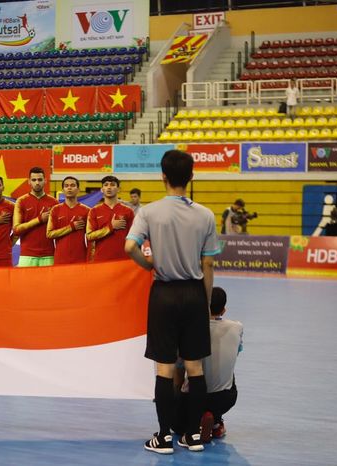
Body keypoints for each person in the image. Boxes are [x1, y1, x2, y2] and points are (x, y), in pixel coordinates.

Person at [124, 149, 221, 454]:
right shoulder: (205, 214)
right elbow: (208, 265)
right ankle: (193, 436)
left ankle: (164, 436)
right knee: (195, 367)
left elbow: (129, 247)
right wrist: (204, 302)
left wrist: (150, 265)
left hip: (163, 292)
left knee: (164, 368)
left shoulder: (149, 212)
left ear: (162, 177)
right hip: (193, 293)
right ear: (191, 177)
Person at [174, 287, 243, 442]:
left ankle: (195, 422)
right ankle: (216, 421)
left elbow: (179, 368)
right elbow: (235, 353)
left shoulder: (189, 329)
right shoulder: (237, 327)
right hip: (225, 398)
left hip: (193, 397)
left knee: (177, 426)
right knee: (227, 370)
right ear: (224, 310)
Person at [13, 167, 57, 267]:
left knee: (48, 283)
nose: (37, 183)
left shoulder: (54, 202)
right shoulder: (21, 201)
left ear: (45, 181)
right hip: (27, 255)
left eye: (40, 179)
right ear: (29, 181)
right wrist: (39, 219)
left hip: (49, 255)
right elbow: (16, 230)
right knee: (27, 283)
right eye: (34, 180)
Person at [86, 175, 135, 263]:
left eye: (112, 185)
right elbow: (89, 236)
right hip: (101, 259)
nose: (109, 187)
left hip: (123, 259)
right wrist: (110, 227)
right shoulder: (94, 211)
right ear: (102, 189)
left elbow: (133, 237)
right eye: (106, 185)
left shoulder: (128, 211)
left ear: (118, 189)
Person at [46, 176, 89, 265]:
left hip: (80, 259)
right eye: (66, 186)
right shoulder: (55, 209)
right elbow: (49, 234)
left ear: (78, 190)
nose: (69, 188)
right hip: (60, 259)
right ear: (63, 190)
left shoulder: (87, 211)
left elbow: (91, 236)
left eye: (72, 185)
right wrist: (71, 227)